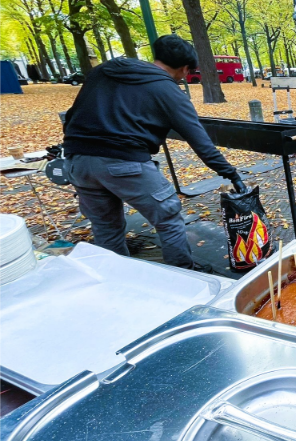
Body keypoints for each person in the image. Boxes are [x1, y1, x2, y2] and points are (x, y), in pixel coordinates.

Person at [63, 34, 247, 269]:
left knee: (105, 226)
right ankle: (183, 275)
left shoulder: (104, 71)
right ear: (183, 69)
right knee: (169, 220)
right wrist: (231, 174)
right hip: (125, 163)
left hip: (77, 162)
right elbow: (201, 143)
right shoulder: (168, 90)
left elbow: (71, 115)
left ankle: (116, 277)